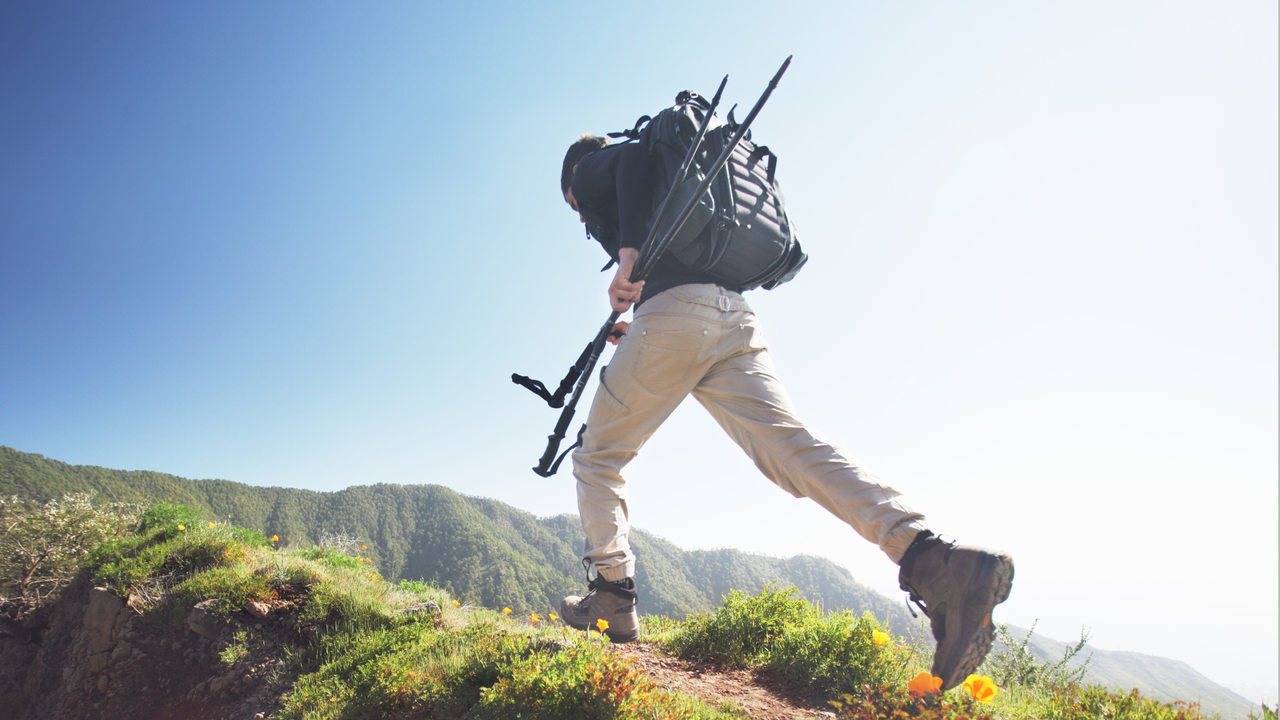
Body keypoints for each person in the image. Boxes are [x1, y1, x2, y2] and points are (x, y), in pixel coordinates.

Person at [554, 133, 1014, 690]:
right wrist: (650, 319)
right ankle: (932, 558)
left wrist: (627, 256)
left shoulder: (594, 164)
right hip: (731, 314)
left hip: (678, 319)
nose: (581, 218)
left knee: (598, 456)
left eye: (574, 207)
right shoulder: (671, 180)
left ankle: (611, 596)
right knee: (790, 449)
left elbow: (623, 162)